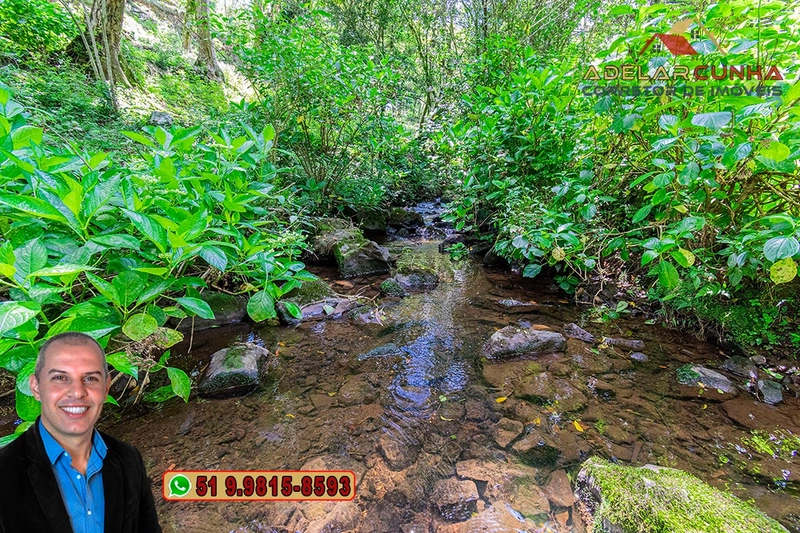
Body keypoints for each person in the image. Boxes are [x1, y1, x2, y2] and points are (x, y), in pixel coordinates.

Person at [0, 332, 162, 533]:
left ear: (106, 387)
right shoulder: (5, 471)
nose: (77, 392)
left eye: (90, 378)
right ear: (36, 387)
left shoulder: (128, 459)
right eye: (60, 378)